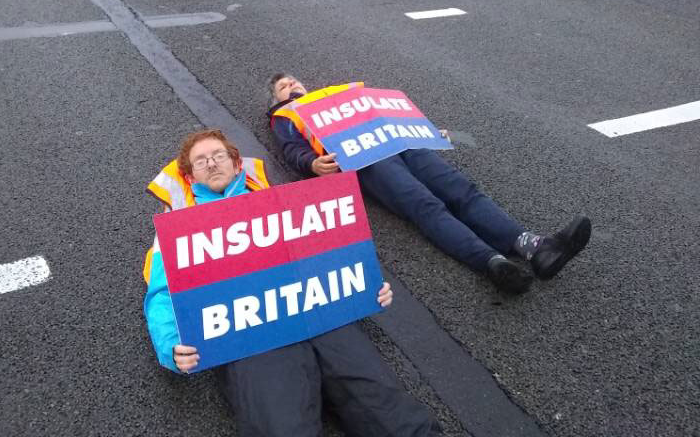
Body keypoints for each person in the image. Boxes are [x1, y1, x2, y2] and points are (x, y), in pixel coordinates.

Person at [143, 129, 441, 437]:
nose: (212, 163)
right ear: (190, 177)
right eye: (201, 161)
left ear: (236, 164)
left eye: (218, 156)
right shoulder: (181, 230)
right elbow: (162, 293)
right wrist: (170, 345)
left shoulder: (282, 203)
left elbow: (331, 255)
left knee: (388, 409)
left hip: (321, 318)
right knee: (282, 424)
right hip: (250, 335)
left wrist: (366, 286)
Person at [266, 75, 592, 295]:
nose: (290, 84)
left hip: (402, 143)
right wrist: (310, 163)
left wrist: (424, 130)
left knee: (461, 190)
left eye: (294, 79)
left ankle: (535, 247)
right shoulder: (285, 115)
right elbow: (291, 148)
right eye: (282, 86)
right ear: (276, 97)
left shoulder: (340, 93)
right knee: (424, 205)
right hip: (366, 160)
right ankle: (493, 263)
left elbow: (386, 111)